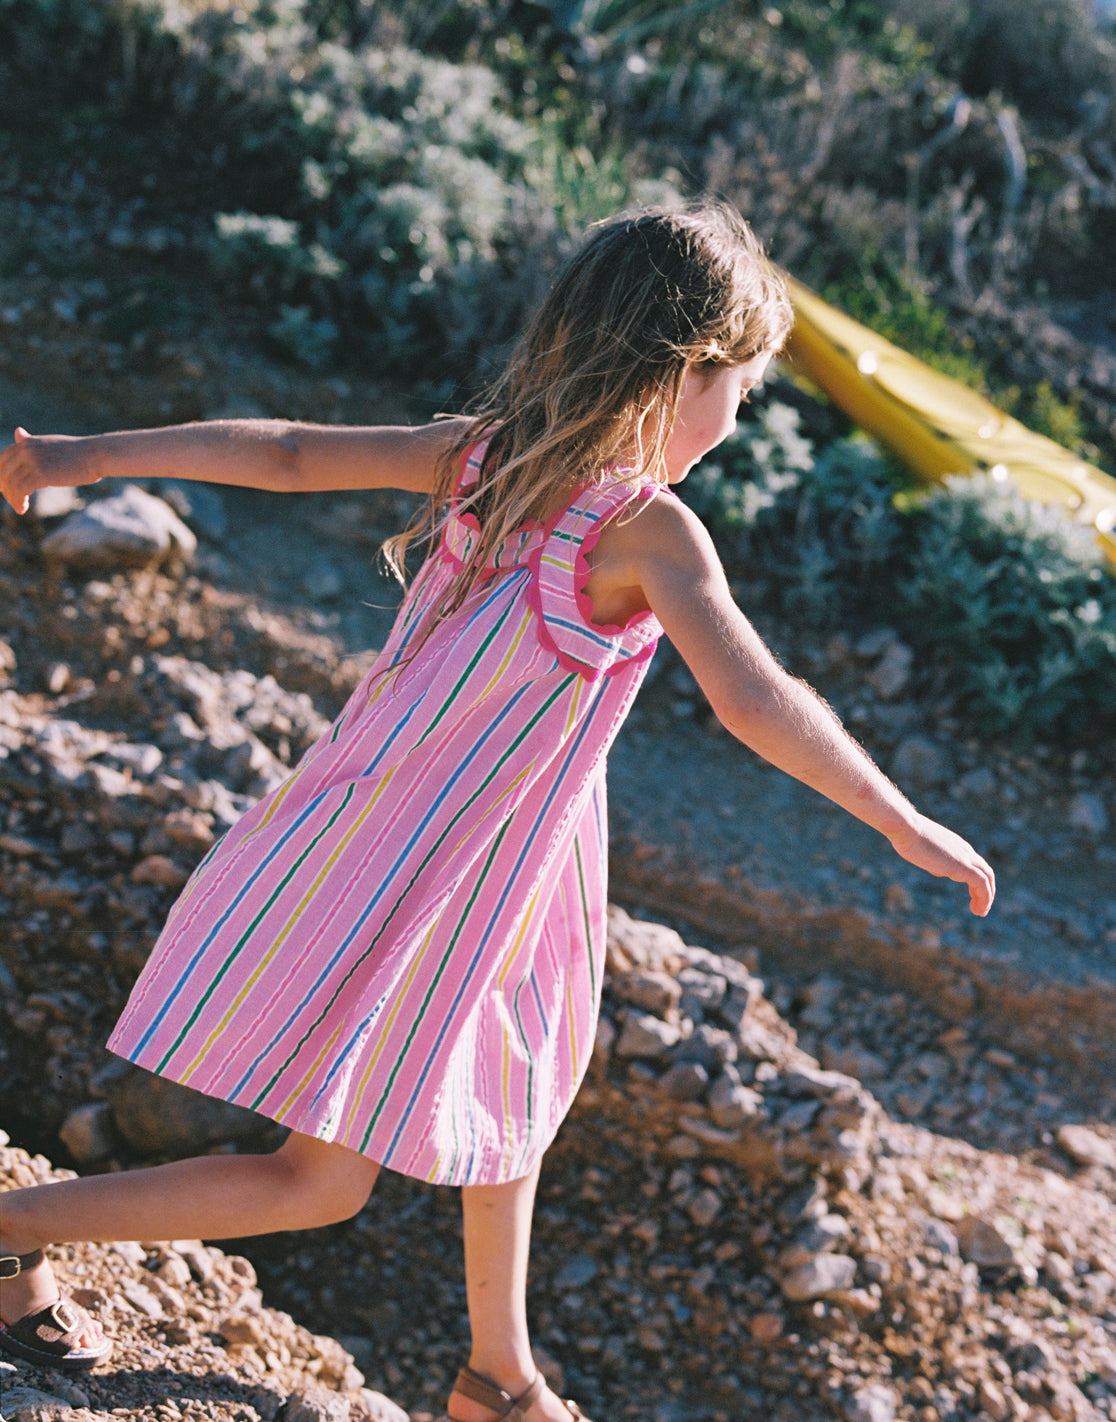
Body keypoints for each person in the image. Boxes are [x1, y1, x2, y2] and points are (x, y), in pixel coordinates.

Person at [0, 203, 995, 1421]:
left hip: (463, 843)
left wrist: (86, 456)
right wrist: (898, 818)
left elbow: (289, 453)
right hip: (436, 860)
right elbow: (755, 697)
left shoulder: (490, 452)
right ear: (683, 372)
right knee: (318, 1183)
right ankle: (8, 1231)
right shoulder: (645, 527)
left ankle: (499, 1374)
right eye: (740, 388)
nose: (737, 422)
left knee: (517, 1076)